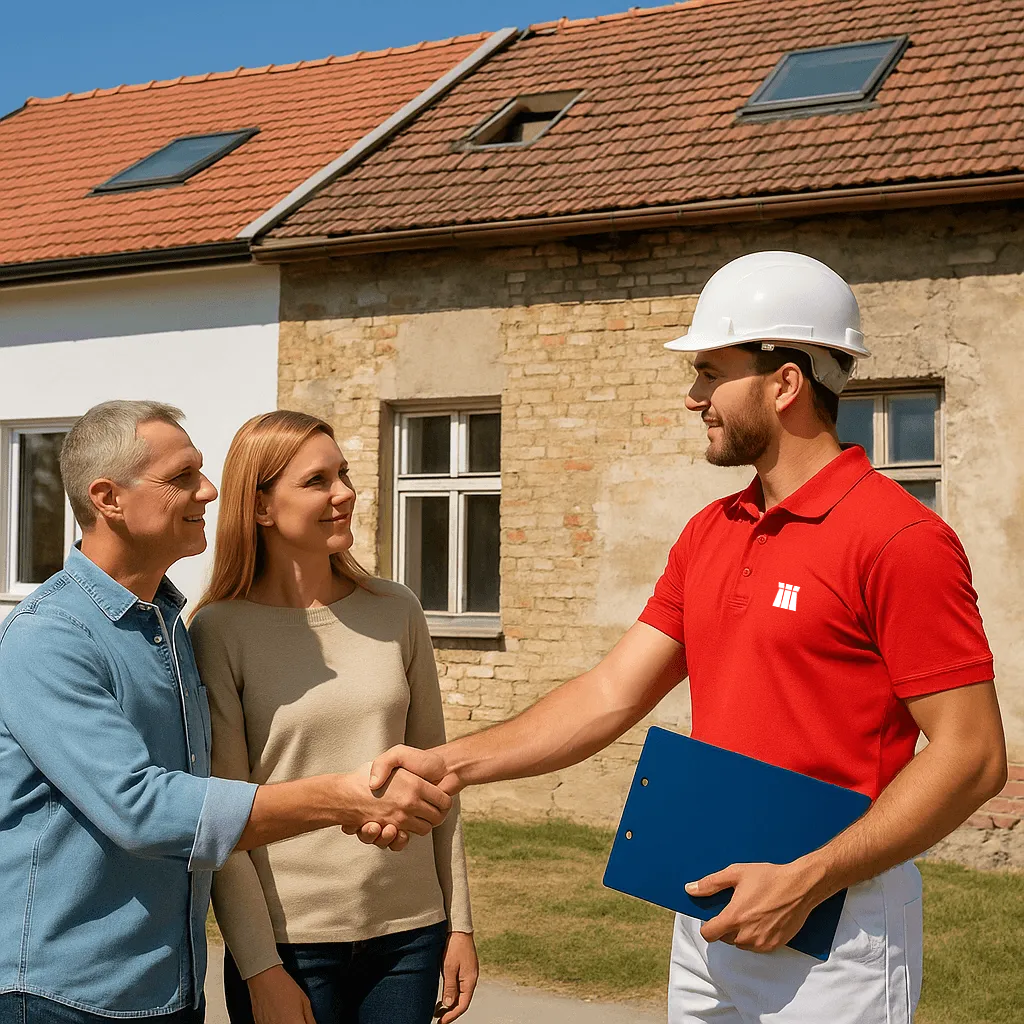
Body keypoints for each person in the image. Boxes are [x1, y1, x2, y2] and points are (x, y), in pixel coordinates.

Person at [368, 252, 1008, 1023]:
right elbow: (610, 694)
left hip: (837, 926)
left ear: (785, 382)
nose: (692, 396)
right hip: (705, 911)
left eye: (711, 373)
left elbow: (972, 757)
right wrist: (447, 765)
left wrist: (810, 877)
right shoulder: (711, 532)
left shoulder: (899, 539)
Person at [0, 401, 450, 1024]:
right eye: (182, 476)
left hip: (166, 985)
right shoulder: (48, 638)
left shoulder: (164, 627)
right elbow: (143, 807)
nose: (209, 491)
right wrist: (344, 798)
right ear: (108, 499)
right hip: (63, 996)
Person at [188, 410, 477, 1024]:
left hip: (411, 933)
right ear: (261, 507)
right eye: (317, 481)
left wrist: (460, 926)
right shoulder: (219, 630)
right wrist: (258, 968)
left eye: (342, 474)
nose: (345, 492)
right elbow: (226, 817)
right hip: (291, 945)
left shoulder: (395, 609)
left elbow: (438, 777)